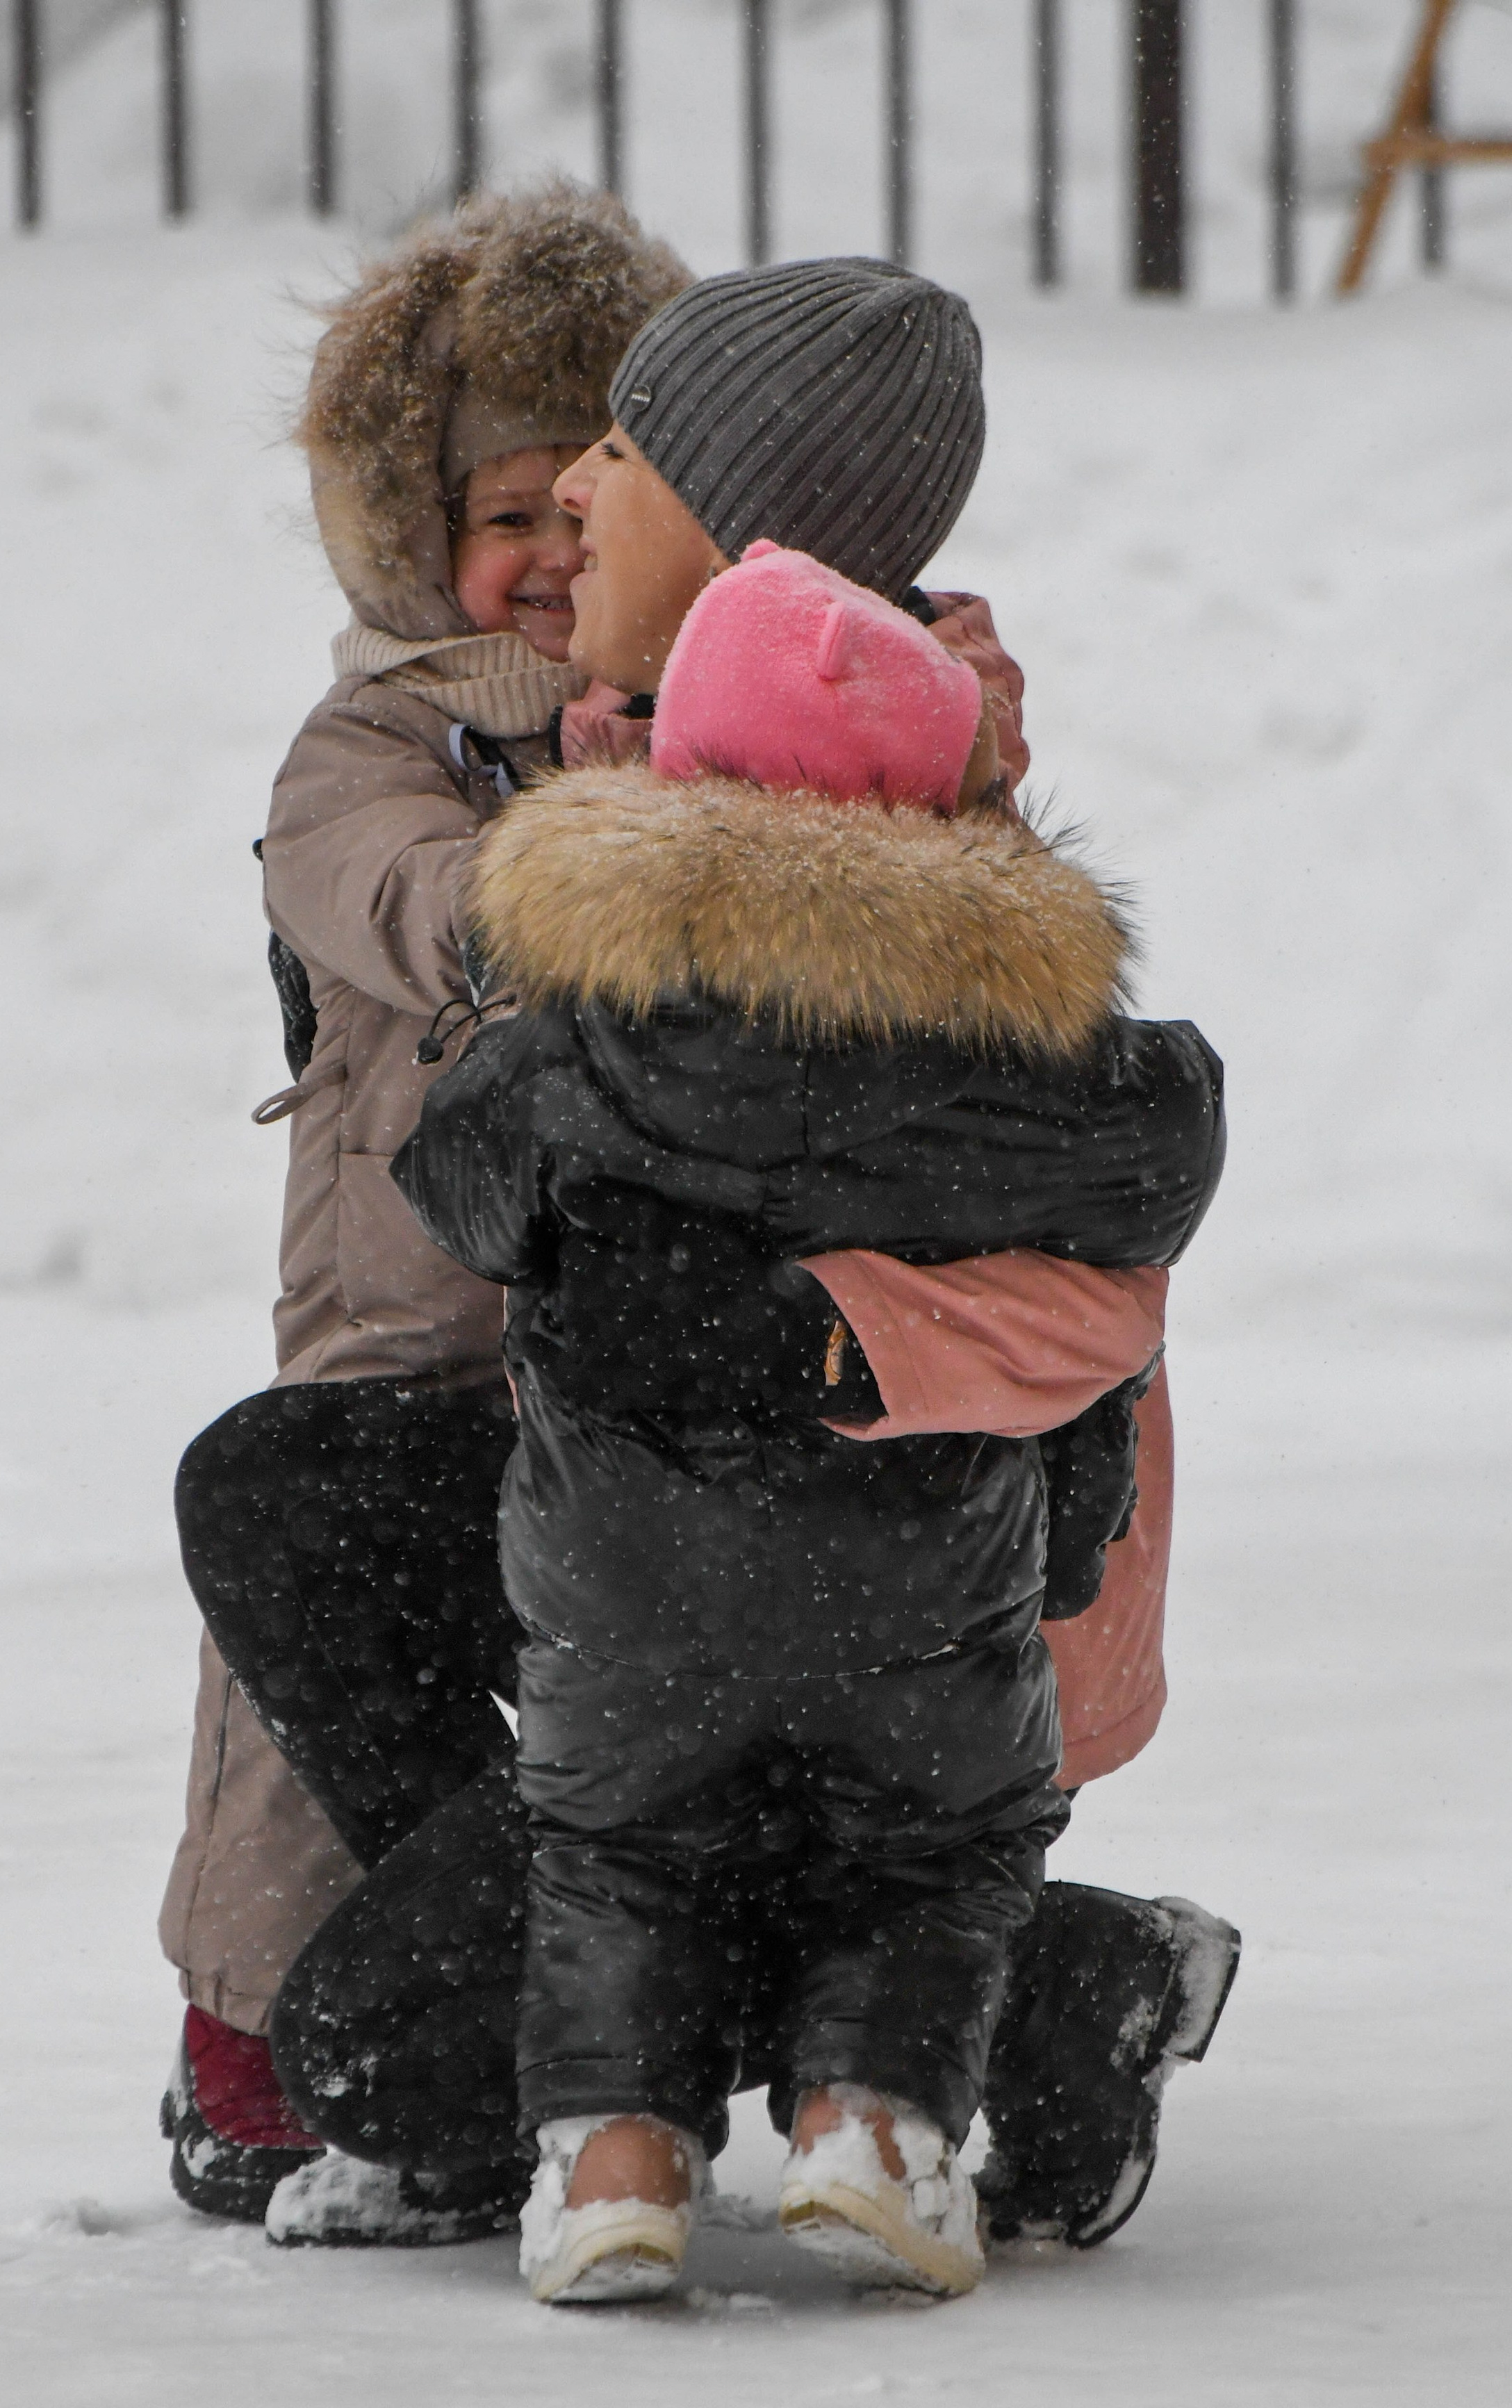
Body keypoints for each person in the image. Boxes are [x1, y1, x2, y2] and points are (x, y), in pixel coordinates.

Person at [183, 260, 1236, 2262]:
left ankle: (1005, 1980)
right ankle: (702, 1973)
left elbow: (1098, 1270)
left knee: (393, 2057)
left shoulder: (906, 794)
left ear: (753, 538)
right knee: (284, 1489)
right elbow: (491, 1127)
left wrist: (803, 1341)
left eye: (621, 451)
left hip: (923, 1600)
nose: (575, 489)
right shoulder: (598, 754)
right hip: (630, 1550)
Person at [392, 487, 1226, 2301]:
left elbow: (453, 1172)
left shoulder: (597, 1010)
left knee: (614, 1853)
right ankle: (875, 2132)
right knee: (928, 1851)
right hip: (920, 1561)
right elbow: (1165, 1149)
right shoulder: (1009, 1038)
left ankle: (612, 2168)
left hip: (624, 1566)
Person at [156, 183, 691, 2224]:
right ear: (418, 539)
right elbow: (390, 890)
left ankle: (561, 2016)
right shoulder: (376, 744)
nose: (555, 556)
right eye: (506, 515)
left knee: (682, 1707)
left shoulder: (722, 703)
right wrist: (578, 855)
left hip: (625, 1370)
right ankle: (268, 2030)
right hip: (409, 1353)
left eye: (596, 501)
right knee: (295, 1698)